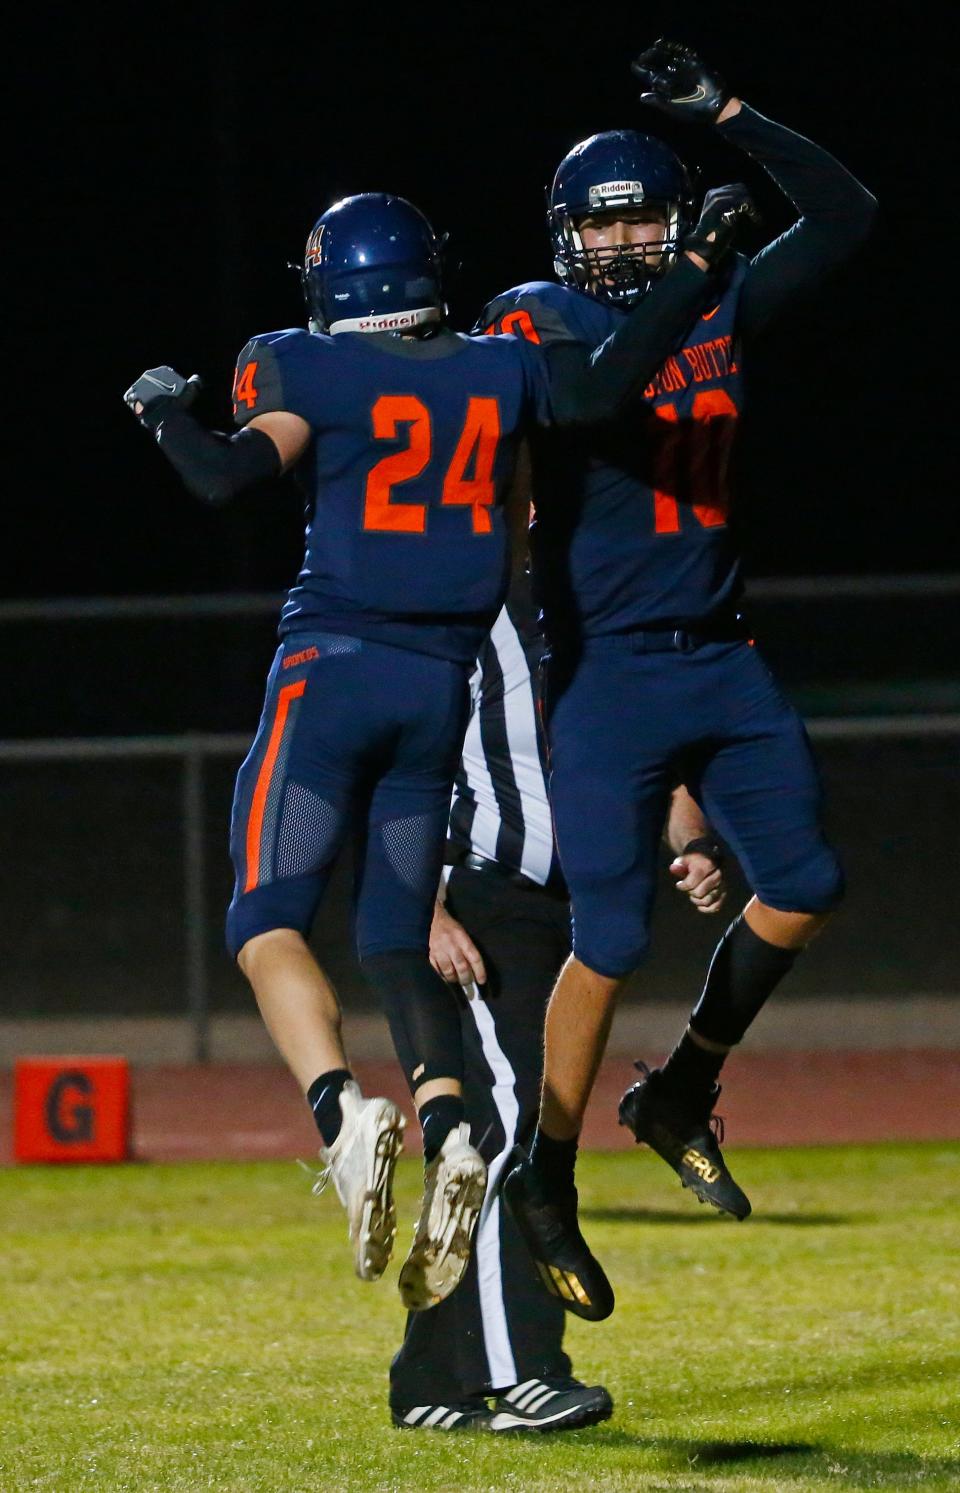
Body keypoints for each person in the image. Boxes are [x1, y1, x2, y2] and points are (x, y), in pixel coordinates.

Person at [122, 184, 739, 1311]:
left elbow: (223, 477)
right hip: (436, 690)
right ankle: (449, 1118)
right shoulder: (500, 367)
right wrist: (695, 267)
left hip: (331, 674)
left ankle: (342, 1112)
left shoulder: (302, 364)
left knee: (263, 917)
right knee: (395, 931)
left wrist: (162, 410)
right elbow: (606, 384)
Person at [482, 40, 877, 1320]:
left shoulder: (711, 298)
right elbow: (597, 398)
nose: (627, 241)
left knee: (806, 880)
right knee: (609, 934)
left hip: (721, 651)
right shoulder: (536, 317)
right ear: (563, 238)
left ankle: (681, 1086)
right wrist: (701, 261)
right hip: (605, 671)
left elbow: (849, 213)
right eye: (605, 226)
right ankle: (547, 1170)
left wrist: (730, 113)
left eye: (647, 215)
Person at [388, 556, 728, 1432]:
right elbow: (395, 757)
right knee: (515, 1127)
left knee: (487, 1138)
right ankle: (521, 1370)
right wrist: (423, 907)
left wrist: (686, 836)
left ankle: (430, 1380)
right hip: (487, 894)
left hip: (571, 905)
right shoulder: (453, 599)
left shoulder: (598, 601)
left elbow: (651, 751)